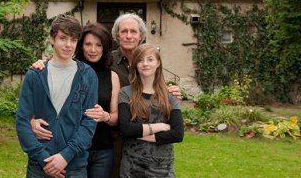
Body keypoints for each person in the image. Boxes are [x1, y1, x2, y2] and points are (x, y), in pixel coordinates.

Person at [30, 22, 121, 178]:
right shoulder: (67, 69)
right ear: (80, 45)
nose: (93, 50)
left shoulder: (112, 76)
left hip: (101, 150)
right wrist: (31, 120)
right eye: (88, 44)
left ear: (105, 47)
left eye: (98, 45)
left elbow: (116, 118)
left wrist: (105, 116)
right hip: (69, 148)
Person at [16, 14, 99, 178]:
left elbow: (89, 122)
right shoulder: (35, 75)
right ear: (52, 39)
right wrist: (43, 158)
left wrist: (66, 156)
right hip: (39, 167)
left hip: (74, 167)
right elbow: (22, 121)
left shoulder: (88, 75)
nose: (68, 45)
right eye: (63, 38)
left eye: (73, 40)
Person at [110, 13, 181, 177]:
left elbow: (160, 91)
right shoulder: (107, 61)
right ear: (117, 35)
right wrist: (43, 63)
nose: (129, 36)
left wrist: (173, 91)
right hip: (114, 136)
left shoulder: (150, 64)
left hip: (154, 152)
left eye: (133, 31)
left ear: (141, 35)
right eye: (124, 31)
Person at [118, 43, 184, 177]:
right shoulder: (126, 93)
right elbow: (125, 129)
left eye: (150, 59)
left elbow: (177, 134)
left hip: (162, 166)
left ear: (158, 63)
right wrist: (161, 126)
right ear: (135, 64)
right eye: (140, 60)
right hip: (132, 165)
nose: (145, 64)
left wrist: (137, 132)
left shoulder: (170, 96)